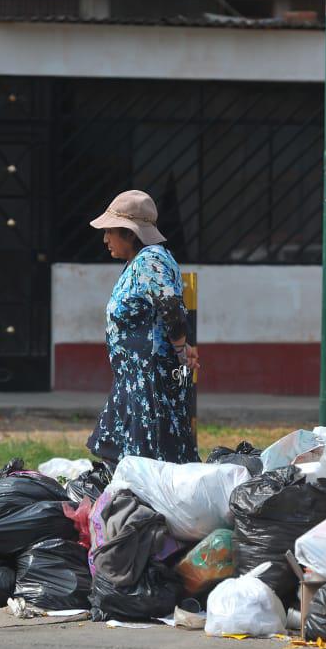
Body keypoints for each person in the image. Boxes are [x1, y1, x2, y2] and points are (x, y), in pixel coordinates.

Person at [86, 190, 200, 465]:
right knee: (113, 446)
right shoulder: (136, 263)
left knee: (151, 458)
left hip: (151, 379)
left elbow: (171, 307)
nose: (105, 239)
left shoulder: (152, 260)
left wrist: (182, 348)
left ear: (130, 233)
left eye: (110, 231)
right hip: (133, 378)